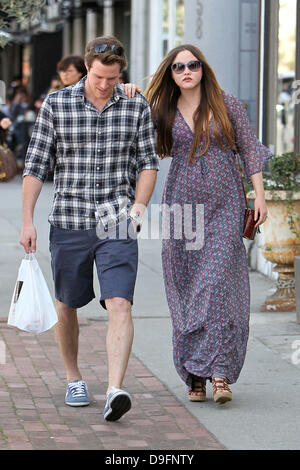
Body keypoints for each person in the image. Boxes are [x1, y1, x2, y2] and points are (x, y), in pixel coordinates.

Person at [20, 35, 159, 421]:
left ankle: (115, 388)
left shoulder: (135, 105)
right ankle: (74, 377)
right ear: (86, 68)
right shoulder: (57, 103)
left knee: (119, 302)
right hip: (68, 220)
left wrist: (138, 209)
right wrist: (28, 219)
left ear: (121, 73)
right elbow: (35, 165)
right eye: (98, 77)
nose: (104, 85)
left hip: (117, 220)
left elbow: (148, 162)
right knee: (67, 305)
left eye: (113, 79)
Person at [144, 44, 273, 404]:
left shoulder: (226, 103)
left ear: (203, 68)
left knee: (214, 284)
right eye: (178, 67)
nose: (187, 71)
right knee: (185, 285)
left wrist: (258, 195)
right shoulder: (163, 110)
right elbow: (142, 146)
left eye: (193, 65)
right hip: (182, 206)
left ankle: (218, 374)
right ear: (170, 74)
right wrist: (129, 94)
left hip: (226, 203)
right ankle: (194, 374)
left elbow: (249, 148)